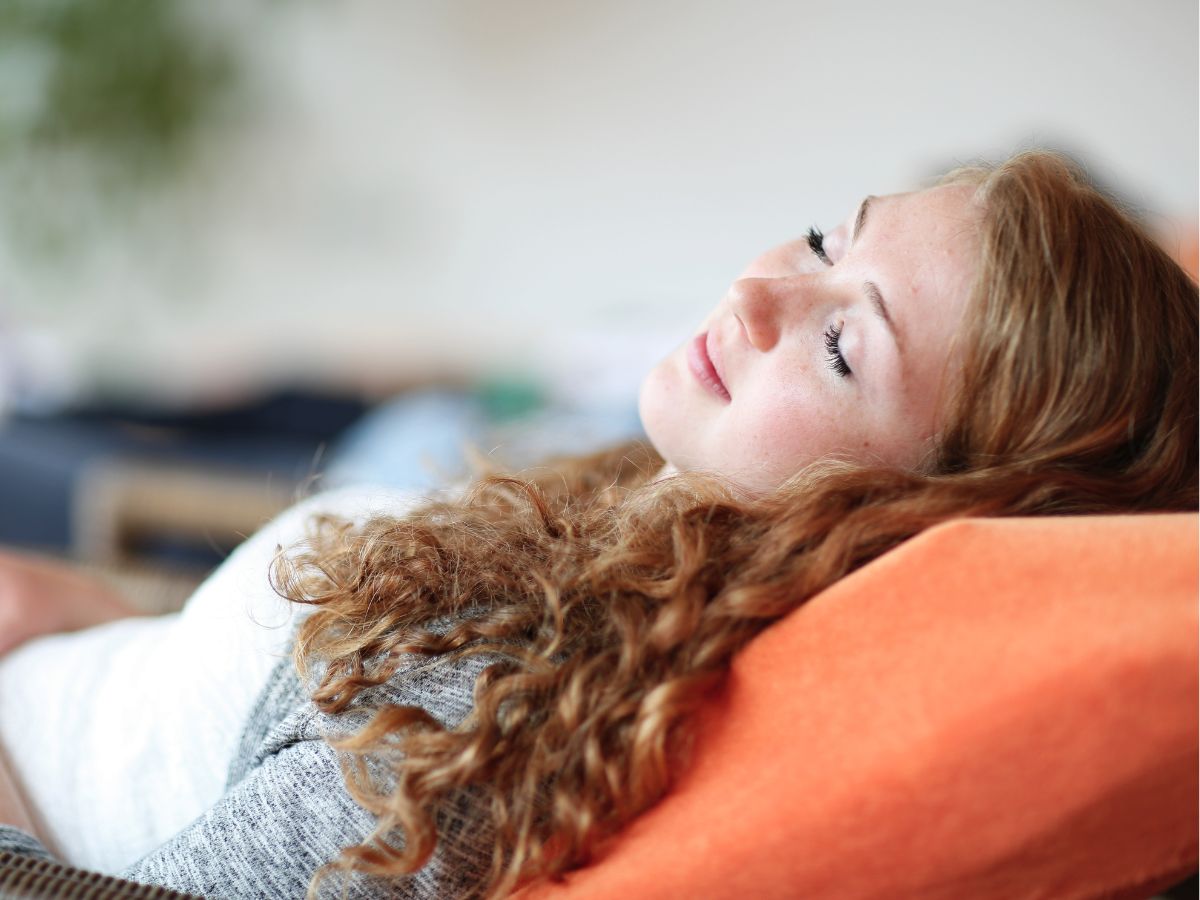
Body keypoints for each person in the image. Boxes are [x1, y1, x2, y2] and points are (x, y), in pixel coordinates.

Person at [0, 149, 1195, 899]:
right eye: (827, 240)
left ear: (909, 514)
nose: (758, 293)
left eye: (842, 345)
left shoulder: (489, 710)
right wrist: (93, 622)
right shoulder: (609, 533)